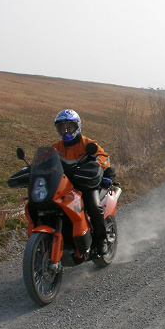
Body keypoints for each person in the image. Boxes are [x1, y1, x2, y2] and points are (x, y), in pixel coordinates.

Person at [52, 109, 113, 256]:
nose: (66, 131)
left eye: (69, 127)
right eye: (62, 128)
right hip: (64, 186)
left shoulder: (88, 144)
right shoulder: (56, 147)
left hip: (86, 184)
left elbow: (104, 158)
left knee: (94, 207)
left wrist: (95, 166)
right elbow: (46, 161)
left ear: (77, 127)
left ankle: (101, 240)